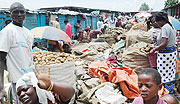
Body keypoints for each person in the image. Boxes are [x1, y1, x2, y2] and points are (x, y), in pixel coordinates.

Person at [0, 2, 34, 103]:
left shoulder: (28, 32)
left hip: (31, 78)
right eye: (15, 12)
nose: (19, 15)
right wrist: (1, 87)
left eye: (21, 12)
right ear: (10, 14)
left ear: (25, 14)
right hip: (18, 81)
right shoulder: (8, 32)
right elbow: (1, 59)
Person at [149, 12, 177, 94]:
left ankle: (165, 93)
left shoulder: (165, 28)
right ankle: (171, 91)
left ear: (161, 21)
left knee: (163, 75)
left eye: (157, 21)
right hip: (171, 53)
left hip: (166, 55)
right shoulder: (170, 27)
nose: (156, 23)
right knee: (170, 74)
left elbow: (164, 43)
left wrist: (154, 50)